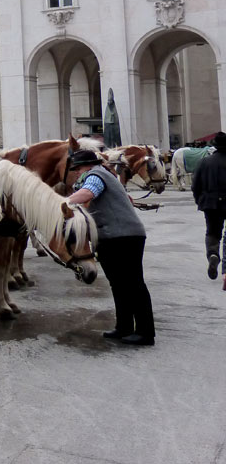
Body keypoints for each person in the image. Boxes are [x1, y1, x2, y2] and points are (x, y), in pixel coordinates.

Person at [64, 148, 155, 346]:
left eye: (78, 168)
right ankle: (124, 327)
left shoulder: (96, 175)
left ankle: (145, 332)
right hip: (115, 236)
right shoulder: (108, 175)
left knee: (133, 284)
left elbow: (88, 193)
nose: (77, 172)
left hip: (122, 237)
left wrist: (61, 203)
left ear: (87, 166)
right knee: (119, 284)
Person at [190, 131, 226, 284]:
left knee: (212, 232)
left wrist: (200, 200)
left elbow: (195, 185)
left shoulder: (204, 162)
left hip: (210, 203)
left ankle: (213, 254)